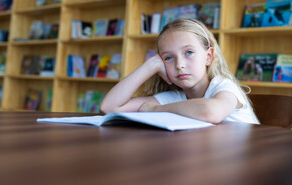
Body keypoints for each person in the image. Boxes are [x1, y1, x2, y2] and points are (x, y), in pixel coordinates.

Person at [100, 18, 259, 124]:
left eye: (188, 52)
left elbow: (211, 111)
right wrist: (151, 65)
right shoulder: (175, 97)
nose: (179, 65)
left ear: (208, 56)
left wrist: (155, 109)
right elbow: (110, 107)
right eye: (168, 58)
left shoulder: (223, 87)